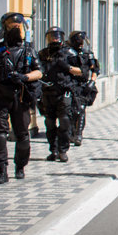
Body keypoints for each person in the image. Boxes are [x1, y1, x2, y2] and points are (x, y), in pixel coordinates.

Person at [0, 12, 42, 184]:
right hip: (1, 96)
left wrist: (25, 77)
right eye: (11, 25)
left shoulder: (29, 50)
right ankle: (2, 170)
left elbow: (39, 72)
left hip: (21, 97)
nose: (15, 28)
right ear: (4, 28)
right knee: (0, 134)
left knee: (22, 134)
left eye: (18, 26)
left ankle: (20, 166)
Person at [37, 27, 82, 163]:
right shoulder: (43, 54)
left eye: (57, 36)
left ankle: (63, 150)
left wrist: (67, 67)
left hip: (64, 92)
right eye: (52, 37)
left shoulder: (69, 53)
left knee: (65, 121)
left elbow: (81, 71)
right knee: (49, 123)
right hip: (48, 93)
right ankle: (53, 150)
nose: (54, 39)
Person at [67, 30, 99, 146]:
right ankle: (70, 133)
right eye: (79, 41)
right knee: (69, 110)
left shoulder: (87, 54)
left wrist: (92, 81)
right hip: (70, 85)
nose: (81, 44)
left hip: (83, 86)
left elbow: (95, 69)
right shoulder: (67, 53)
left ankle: (78, 134)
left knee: (81, 109)